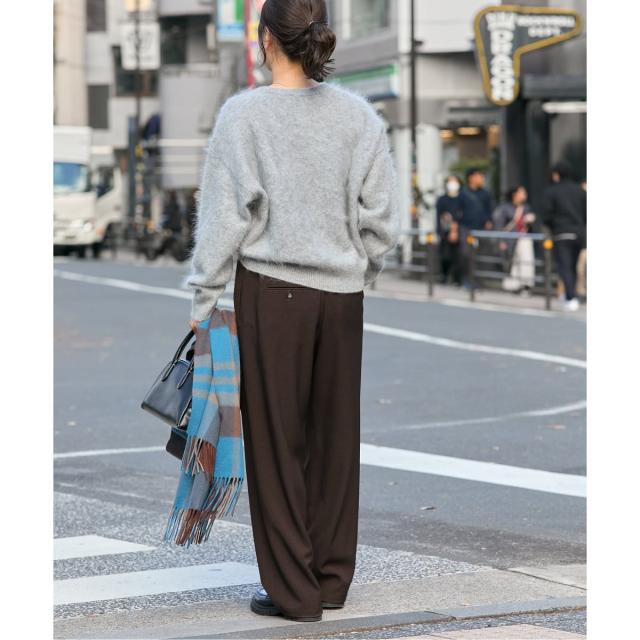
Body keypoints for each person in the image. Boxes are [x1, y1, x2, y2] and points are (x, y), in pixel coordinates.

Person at [186, 0, 400, 624]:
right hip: (342, 297)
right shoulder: (359, 117)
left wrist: (204, 297)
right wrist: (360, 270)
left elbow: (224, 217)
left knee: (276, 444)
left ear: (265, 41)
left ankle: (293, 591)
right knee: (335, 438)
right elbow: (382, 222)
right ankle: (330, 579)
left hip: (271, 292)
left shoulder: (244, 116)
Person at [541, 161, 587, 311]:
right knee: (573, 266)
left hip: (562, 233)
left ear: (556, 175)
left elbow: (546, 215)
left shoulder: (552, 191)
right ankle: (571, 295)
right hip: (579, 233)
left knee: (564, 266)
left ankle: (570, 297)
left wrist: (552, 226)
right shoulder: (580, 191)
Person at [493, 185, 537, 294]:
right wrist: (501, 241)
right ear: (514, 195)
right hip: (510, 240)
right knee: (512, 263)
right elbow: (499, 225)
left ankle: (525, 285)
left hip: (524, 238)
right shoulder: (505, 208)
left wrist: (530, 221)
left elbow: (531, 227)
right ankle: (513, 285)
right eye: (522, 192)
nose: (524, 195)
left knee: (526, 260)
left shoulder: (526, 208)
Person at [435, 175, 463, 284]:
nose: (452, 184)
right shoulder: (442, 199)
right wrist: (439, 231)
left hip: (460, 232)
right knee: (445, 256)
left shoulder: (462, 198)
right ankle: (444, 275)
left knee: (458, 256)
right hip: (445, 232)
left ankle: (457, 279)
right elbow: (438, 216)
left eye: (455, 181)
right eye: (450, 182)